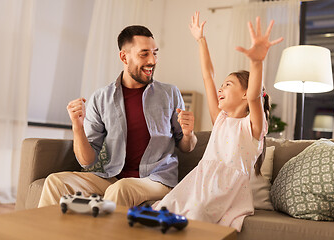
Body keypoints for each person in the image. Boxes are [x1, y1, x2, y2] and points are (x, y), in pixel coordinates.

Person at [38, 25, 197, 208]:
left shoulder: (170, 93)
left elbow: (187, 147)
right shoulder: (101, 98)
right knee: (55, 182)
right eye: (144, 54)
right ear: (124, 56)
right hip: (111, 176)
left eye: (155, 53)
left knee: (121, 188)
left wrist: (188, 134)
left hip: (156, 179)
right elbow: (88, 161)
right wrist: (77, 127)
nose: (152, 60)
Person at [153, 12, 283, 232]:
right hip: (198, 182)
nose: (221, 88)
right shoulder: (220, 119)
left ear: (244, 95)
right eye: (223, 85)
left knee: (194, 218)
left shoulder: (253, 126)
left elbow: (254, 96)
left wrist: (257, 62)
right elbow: (208, 77)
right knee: (163, 210)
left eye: (229, 84)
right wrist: (201, 40)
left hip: (225, 190)